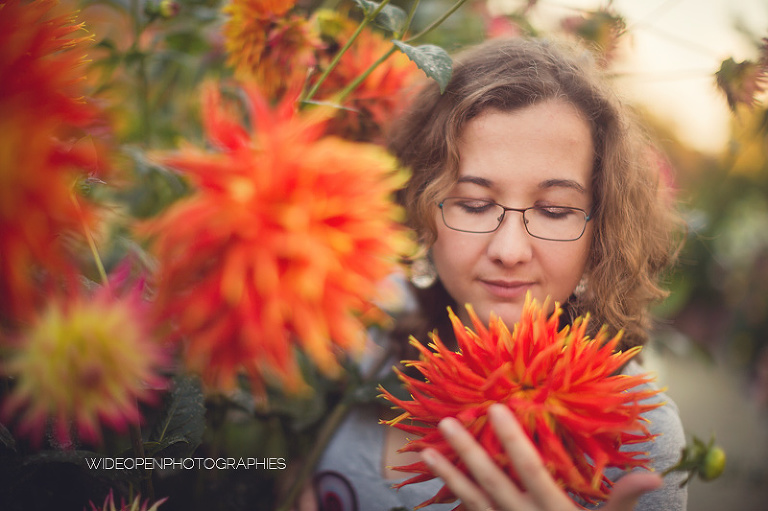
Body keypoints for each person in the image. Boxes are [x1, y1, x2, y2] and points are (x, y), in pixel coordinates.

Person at [307, 37, 687, 511]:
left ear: (601, 232)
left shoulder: (639, 431)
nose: (510, 250)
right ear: (421, 210)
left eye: (553, 210)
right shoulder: (362, 330)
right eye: (474, 204)